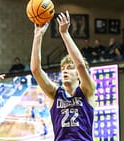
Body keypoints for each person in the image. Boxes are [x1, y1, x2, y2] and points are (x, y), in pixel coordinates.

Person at [30, 10, 96, 141]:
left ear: (78, 75)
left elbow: (81, 65)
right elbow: (36, 70)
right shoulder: (55, 94)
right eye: (62, 69)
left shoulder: (87, 91)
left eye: (70, 68)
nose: (64, 71)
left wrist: (64, 33)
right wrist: (37, 36)